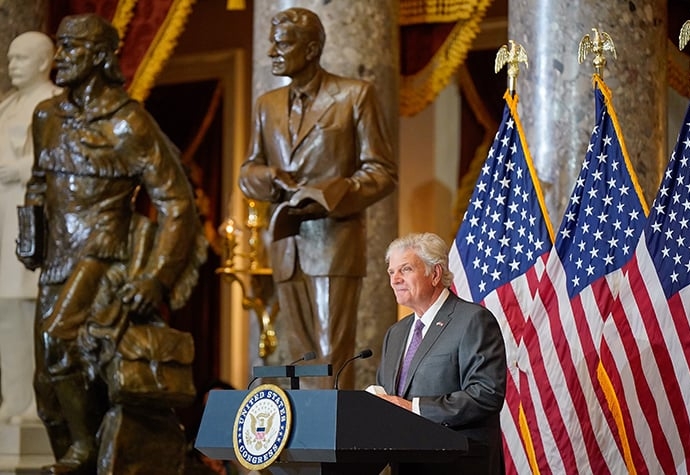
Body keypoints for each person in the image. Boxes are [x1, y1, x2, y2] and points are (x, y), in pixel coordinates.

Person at [17, 14, 204, 474]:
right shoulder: (47, 117)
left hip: (105, 257)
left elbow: (177, 203)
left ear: (100, 57)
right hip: (57, 259)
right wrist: (30, 236)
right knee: (47, 380)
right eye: (59, 47)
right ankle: (78, 456)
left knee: (60, 343)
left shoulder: (128, 123)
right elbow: (39, 184)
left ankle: (85, 452)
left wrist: (156, 278)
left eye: (72, 49)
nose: (61, 59)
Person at [239, 7, 397, 389]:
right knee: (300, 357)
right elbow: (248, 171)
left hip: (334, 239)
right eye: (271, 44)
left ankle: (332, 445)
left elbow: (382, 172)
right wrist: (270, 178)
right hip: (285, 242)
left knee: (331, 357)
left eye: (283, 44)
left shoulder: (354, 95)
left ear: (310, 50)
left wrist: (329, 195)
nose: (273, 53)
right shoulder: (267, 105)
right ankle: (308, 445)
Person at [376, 233, 506, 475]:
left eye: (405, 269)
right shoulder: (395, 333)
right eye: (391, 272)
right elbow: (388, 395)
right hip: (406, 465)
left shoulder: (472, 320)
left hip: (459, 465)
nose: (395, 280)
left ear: (435, 274)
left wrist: (413, 407)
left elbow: (485, 394)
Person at [0, 31, 61, 424]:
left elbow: (60, 157)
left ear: (44, 61)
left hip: (35, 221)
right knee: (6, 313)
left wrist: (22, 169)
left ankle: (40, 404)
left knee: (33, 311)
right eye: (10, 58)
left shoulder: (56, 103)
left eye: (22, 58)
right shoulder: (6, 105)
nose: (12, 65)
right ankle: (14, 396)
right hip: (4, 217)